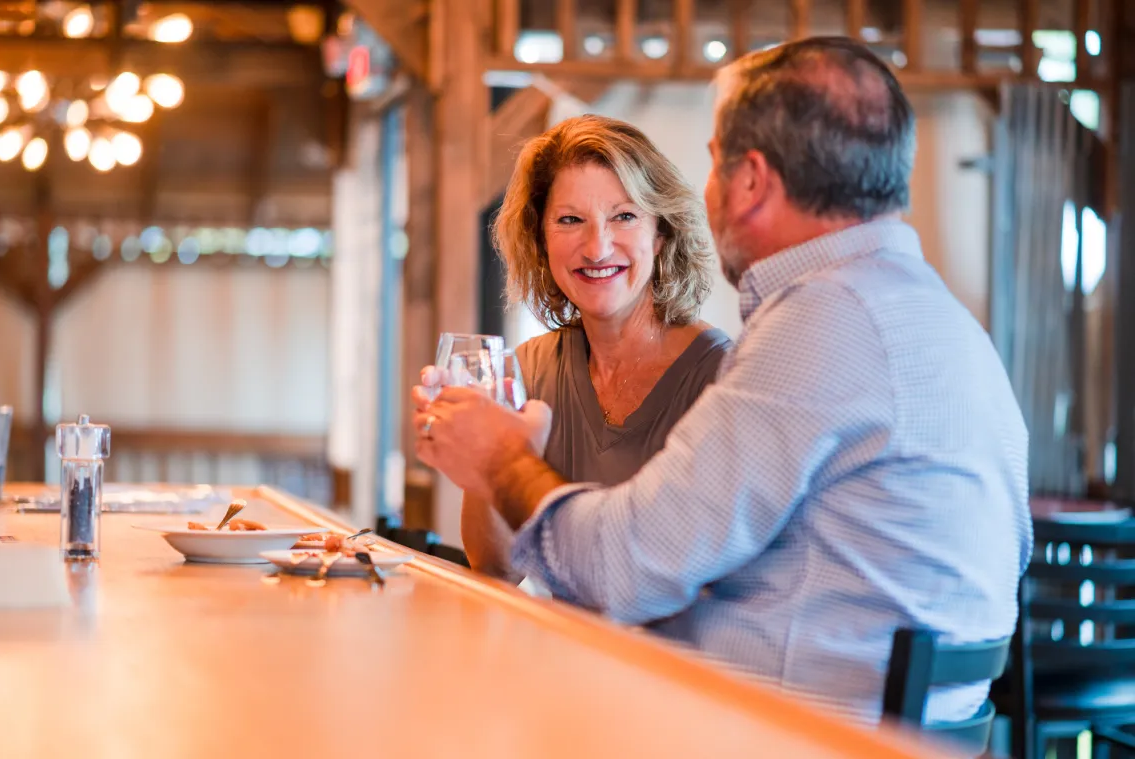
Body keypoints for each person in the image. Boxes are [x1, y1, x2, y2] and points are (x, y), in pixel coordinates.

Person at [413, 37, 1031, 723]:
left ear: (751, 181)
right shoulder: (939, 319)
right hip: (896, 724)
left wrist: (502, 459)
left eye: (712, 165)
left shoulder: (825, 320)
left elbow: (624, 567)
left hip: (794, 731)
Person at [431, 115, 732, 581]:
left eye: (624, 216)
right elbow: (495, 568)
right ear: (541, 239)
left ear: (661, 233)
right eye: (570, 220)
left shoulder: (720, 376)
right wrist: (484, 465)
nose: (596, 248)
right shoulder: (529, 371)